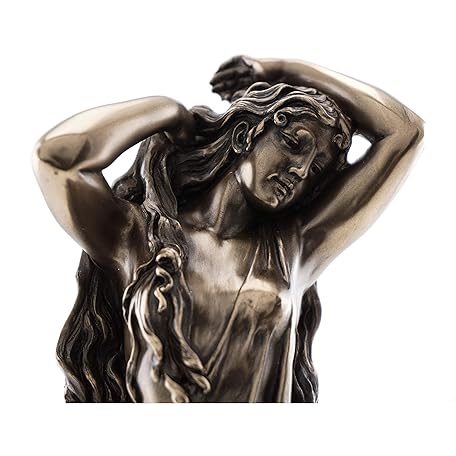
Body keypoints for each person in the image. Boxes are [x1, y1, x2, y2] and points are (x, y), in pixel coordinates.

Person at [33, 56, 424, 403]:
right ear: (243, 136)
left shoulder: (295, 249)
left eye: (316, 169)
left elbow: (405, 132)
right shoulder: (138, 235)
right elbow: (58, 158)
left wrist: (284, 69)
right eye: (293, 143)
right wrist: (168, 113)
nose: (300, 171)